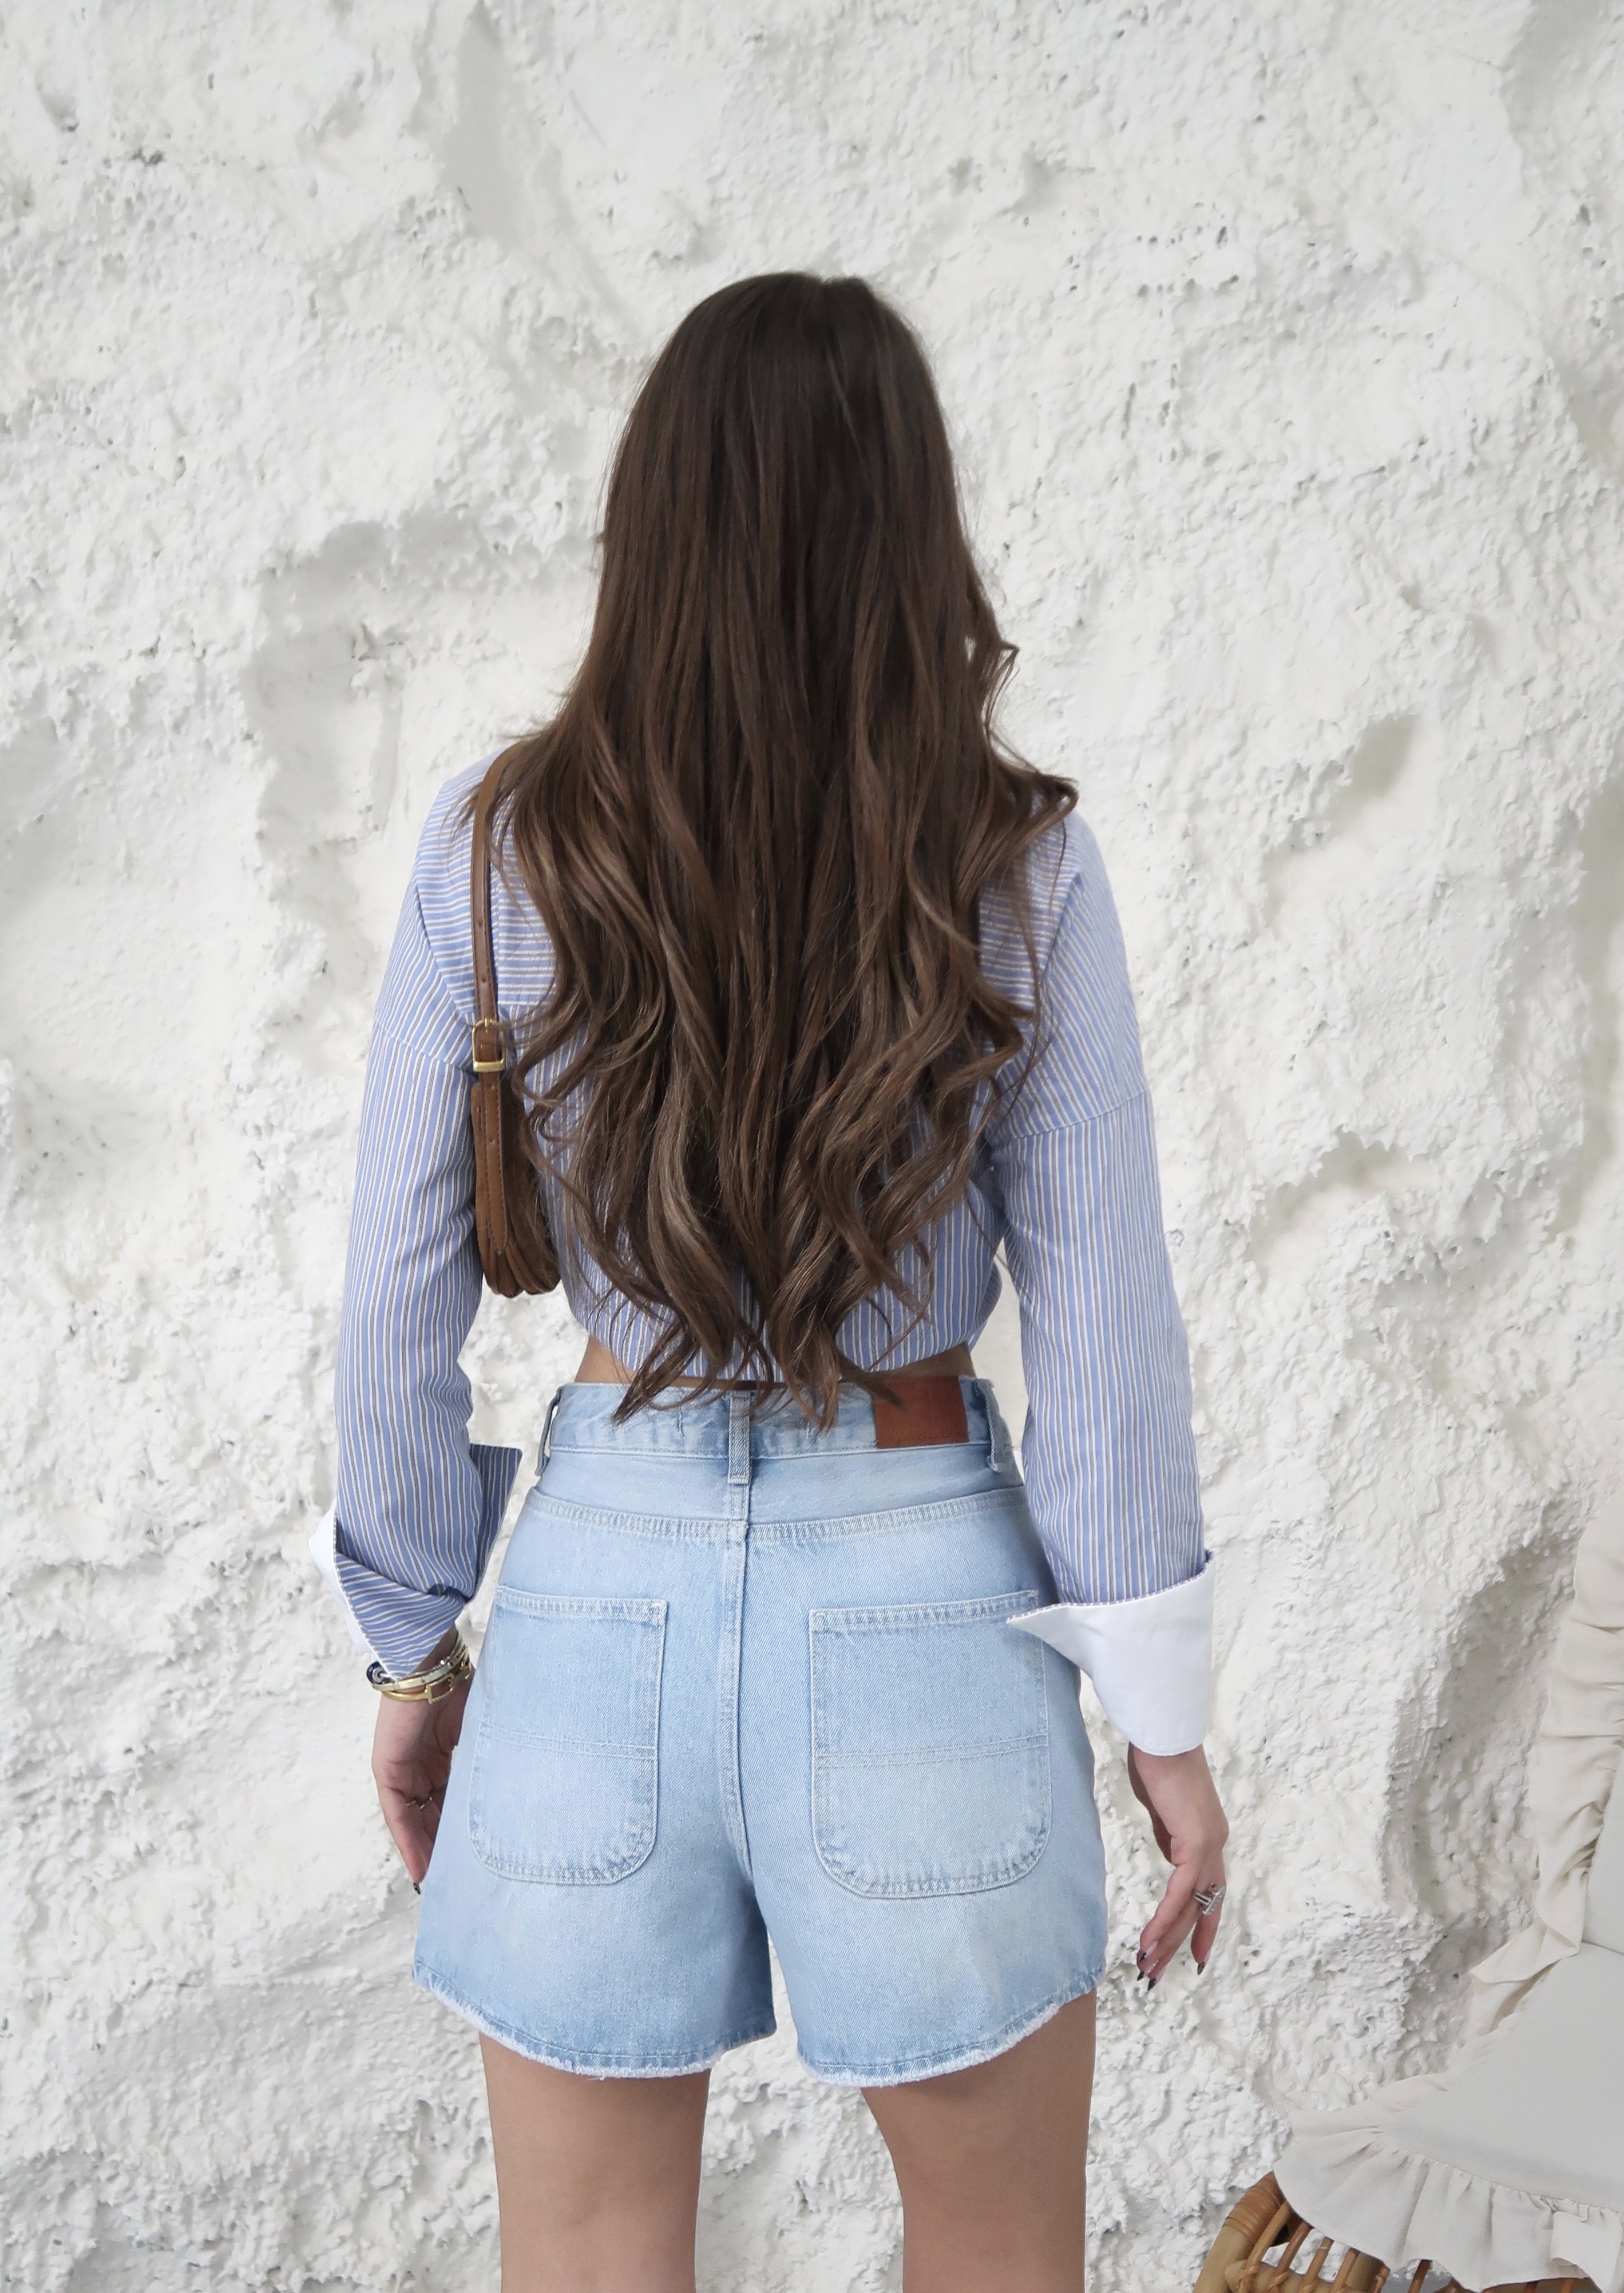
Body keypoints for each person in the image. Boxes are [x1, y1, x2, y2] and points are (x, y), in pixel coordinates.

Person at [322, 272, 1227, 2293]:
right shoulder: (1017, 865)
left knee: (585, 2253)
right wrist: (1160, 1719)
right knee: (997, 2255)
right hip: (926, 1588)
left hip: (597, 1604)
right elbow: (1105, 1327)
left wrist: (412, 1651)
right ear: (915, 530)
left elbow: (393, 1306)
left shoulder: (496, 849)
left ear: (648, 524)